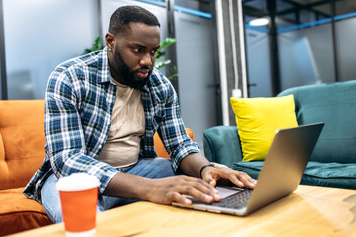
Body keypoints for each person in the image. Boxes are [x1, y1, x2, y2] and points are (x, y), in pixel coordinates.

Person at [24, 5, 257, 223]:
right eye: (138, 50)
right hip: (72, 178)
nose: (147, 61)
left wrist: (207, 169)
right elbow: (67, 159)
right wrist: (148, 188)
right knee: (85, 218)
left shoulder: (159, 86)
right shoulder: (70, 77)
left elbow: (179, 145)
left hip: (137, 169)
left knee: (202, 186)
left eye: (154, 52)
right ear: (111, 41)